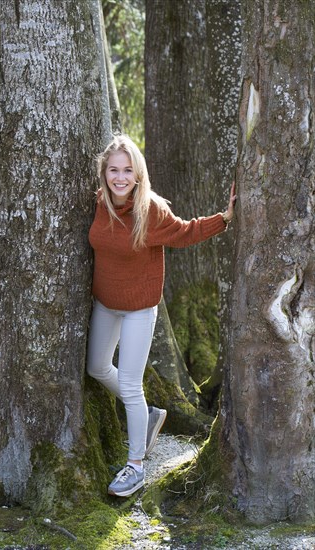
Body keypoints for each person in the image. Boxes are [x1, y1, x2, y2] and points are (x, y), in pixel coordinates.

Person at [87, 134, 236, 497]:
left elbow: (185, 232)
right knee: (96, 367)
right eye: (113, 170)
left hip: (140, 308)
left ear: (138, 174)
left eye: (127, 170)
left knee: (129, 384)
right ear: (104, 173)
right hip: (105, 303)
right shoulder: (98, 203)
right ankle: (151, 416)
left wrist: (225, 218)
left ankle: (135, 466)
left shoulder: (149, 209)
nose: (119, 177)